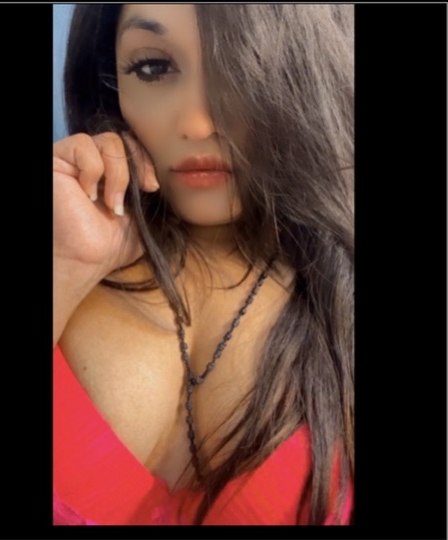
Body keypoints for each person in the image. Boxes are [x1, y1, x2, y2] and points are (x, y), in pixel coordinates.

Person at [53, 4, 354, 526]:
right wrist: (64, 264)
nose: (197, 123)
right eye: (153, 67)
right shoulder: (68, 249)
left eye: (243, 64)